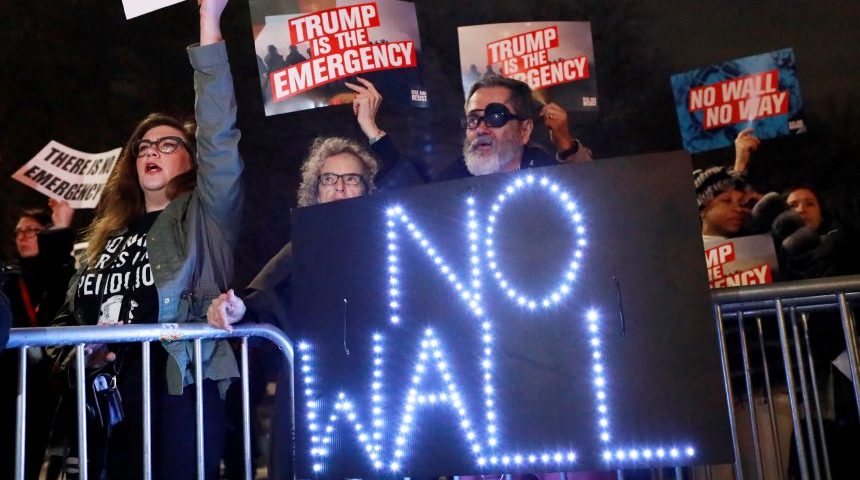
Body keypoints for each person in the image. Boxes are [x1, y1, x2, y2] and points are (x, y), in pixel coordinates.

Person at [48, 1, 242, 478]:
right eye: (144, 147)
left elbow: (219, 135)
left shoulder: (205, 218)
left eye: (168, 144)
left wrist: (209, 23)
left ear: (192, 161)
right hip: (105, 406)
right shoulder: (104, 235)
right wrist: (80, 355)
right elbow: (65, 320)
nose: (152, 150)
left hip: (176, 396)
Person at [208, 136, 379, 480]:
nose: (339, 187)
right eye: (329, 179)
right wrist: (236, 309)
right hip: (313, 395)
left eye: (351, 179)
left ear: (367, 188)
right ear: (316, 190)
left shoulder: (388, 239)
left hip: (376, 391)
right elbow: (264, 298)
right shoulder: (301, 245)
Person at [345, 75, 592, 182]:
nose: (481, 129)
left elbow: (594, 195)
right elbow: (416, 196)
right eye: (473, 119)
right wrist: (371, 128)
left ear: (525, 131)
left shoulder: (544, 171)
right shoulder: (455, 179)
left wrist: (567, 146)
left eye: (495, 117)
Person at [0, 200, 76, 480]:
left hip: (47, 389)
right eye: (19, 231)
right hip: (13, 385)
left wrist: (61, 229)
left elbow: (60, 282)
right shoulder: (9, 278)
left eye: (31, 231)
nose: (22, 237)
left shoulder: (61, 275)